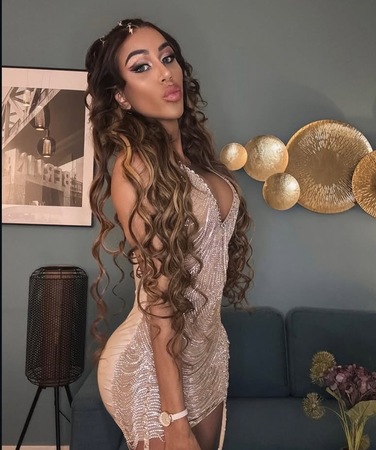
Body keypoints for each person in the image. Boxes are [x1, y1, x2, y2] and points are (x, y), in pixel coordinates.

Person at [85, 18, 253, 450]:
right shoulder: (135, 168)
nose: (165, 73)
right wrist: (173, 419)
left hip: (208, 353)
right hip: (151, 365)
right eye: (141, 67)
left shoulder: (197, 160)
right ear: (121, 96)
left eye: (168, 58)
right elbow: (160, 301)